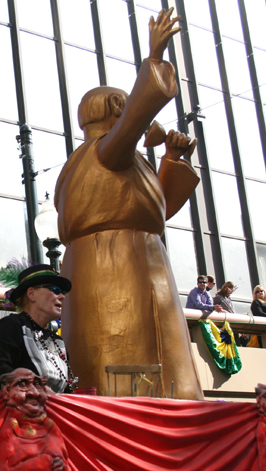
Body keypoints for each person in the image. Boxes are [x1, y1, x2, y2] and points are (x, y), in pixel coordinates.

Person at [53, 8, 204, 401]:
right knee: (137, 365)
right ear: (117, 109)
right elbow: (139, 114)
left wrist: (171, 159)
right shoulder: (106, 152)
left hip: (136, 259)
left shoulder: (113, 160)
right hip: (118, 266)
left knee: (161, 358)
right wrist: (154, 60)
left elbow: (157, 211)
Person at [0, 265, 74, 393]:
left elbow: (66, 391)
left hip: (53, 411)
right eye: (55, 290)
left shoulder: (57, 341)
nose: (62, 296)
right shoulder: (11, 326)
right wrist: (34, 389)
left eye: (63, 292)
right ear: (32, 294)